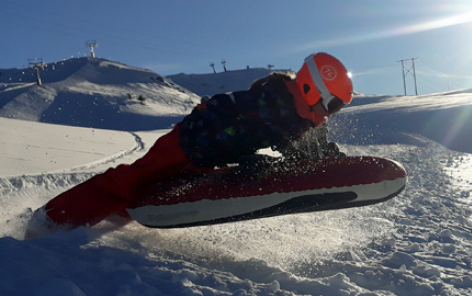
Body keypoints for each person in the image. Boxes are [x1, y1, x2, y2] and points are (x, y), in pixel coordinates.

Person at [39, 52, 354, 231]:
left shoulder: (304, 117)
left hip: (209, 157)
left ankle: (112, 218)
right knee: (134, 180)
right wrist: (243, 156)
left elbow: (307, 149)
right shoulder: (271, 100)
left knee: (157, 189)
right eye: (333, 106)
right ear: (312, 90)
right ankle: (54, 218)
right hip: (189, 143)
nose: (331, 115)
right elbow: (223, 118)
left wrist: (335, 166)